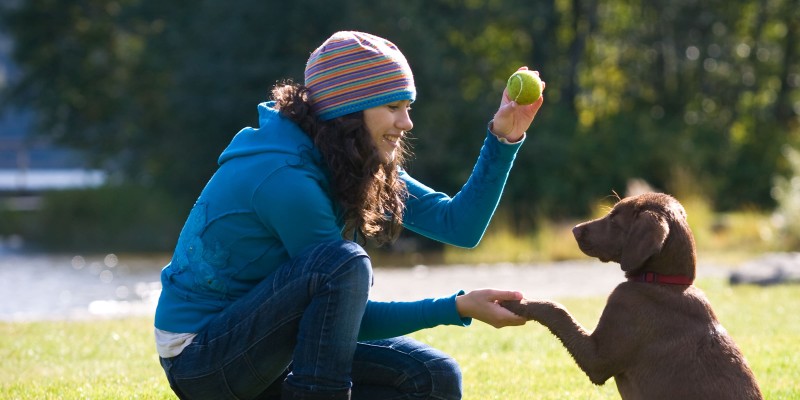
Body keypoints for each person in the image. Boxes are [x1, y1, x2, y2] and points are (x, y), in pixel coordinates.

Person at [154, 31, 545, 400]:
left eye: (407, 107)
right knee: (343, 263)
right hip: (201, 359)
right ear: (349, 111)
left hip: (275, 348)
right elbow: (348, 314)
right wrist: (456, 307)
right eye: (393, 107)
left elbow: (457, 225)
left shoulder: (354, 158)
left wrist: (503, 137)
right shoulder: (285, 178)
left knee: (434, 378)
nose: (406, 123)